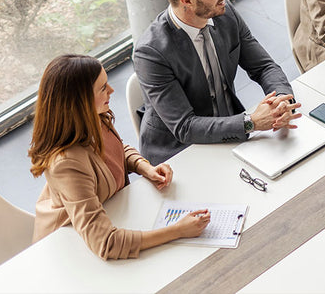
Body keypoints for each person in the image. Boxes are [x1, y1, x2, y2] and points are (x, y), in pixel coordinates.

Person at [28, 54, 210, 259]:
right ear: (81, 101)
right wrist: (178, 231)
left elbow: (116, 150)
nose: (111, 90)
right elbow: (107, 243)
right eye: (102, 88)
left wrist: (144, 167)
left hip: (110, 215)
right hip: (68, 249)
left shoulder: (94, 118)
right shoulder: (67, 164)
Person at [134, 0, 302, 164]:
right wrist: (250, 122)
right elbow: (185, 127)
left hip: (231, 131)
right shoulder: (150, 53)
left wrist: (283, 101)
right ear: (187, 0)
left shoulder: (225, 12)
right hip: (181, 152)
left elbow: (264, 67)